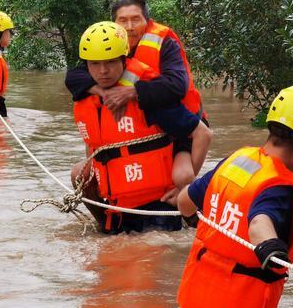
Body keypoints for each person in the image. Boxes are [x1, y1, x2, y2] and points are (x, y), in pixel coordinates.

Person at [172, 85, 293, 308]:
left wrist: (196, 221)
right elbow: (260, 222)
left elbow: (184, 202)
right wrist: (271, 247)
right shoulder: (279, 187)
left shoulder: (235, 161)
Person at [65, 0, 210, 196]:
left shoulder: (163, 42)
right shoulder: (107, 45)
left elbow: (177, 85)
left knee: (182, 176)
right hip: (135, 126)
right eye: (123, 20)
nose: (129, 26)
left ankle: (185, 198)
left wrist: (132, 92)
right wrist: (105, 92)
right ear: (114, 23)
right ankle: (102, 220)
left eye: (135, 19)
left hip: (179, 120)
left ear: (147, 21)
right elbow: (73, 77)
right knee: (81, 174)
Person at [71, 21, 205, 234]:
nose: (102, 71)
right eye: (94, 64)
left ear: (124, 59)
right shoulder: (87, 98)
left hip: (158, 206)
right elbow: (95, 147)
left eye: (110, 62)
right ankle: (101, 226)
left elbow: (202, 133)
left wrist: (183, 191)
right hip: (116, 206)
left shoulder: (146, 96)